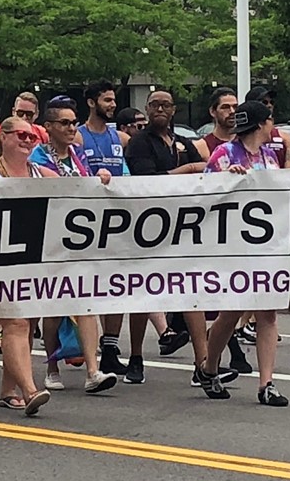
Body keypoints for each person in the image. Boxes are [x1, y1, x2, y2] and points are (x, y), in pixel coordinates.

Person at [200, 100, 290, 405]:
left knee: (267, 311)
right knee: (231, 311)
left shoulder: (270, 157)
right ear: (259, 124)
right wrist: (228, 177)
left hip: (267, 248)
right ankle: (209, 367)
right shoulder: (224, 154)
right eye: (269, 121)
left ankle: (266, 383)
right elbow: (202, 192)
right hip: (232, 247)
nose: (273, 127)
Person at [117, 88, 215, 386]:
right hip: (147, 226)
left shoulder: (184, 142)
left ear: (174, 110)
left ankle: (203, 364)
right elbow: (148, 180)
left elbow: (206, 173)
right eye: (155, 105)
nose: (160, 109)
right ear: (147, 109)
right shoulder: (138, 143)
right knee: (142, 292)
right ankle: (135, 357)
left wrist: (187, 169)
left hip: (183, 226)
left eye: (166, 105)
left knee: (191, 292)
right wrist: (186, 168)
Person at [27, 98, 118, 394]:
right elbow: (50, 185)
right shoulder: (38, 157)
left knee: (86, 302)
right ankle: (52, 366)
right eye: (64, 123)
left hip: (80, 240)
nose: (70, 128)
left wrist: (100, 177)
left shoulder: (78, 156)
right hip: (50, 240)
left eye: (73, 122)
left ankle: (93, 371)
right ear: (49, 127)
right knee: (55, 307)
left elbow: (89, 184)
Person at [0, 117, 59, 416]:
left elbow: (82, 188)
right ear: (4, 137)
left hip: (33, 260)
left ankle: (8, 391)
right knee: (16, 323)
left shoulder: (41, 173)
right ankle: (30, 389)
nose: (27, 140)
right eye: (21, 135)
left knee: (27, 325)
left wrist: (101, 178)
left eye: (32, 136)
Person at [77, 81, 130, 374]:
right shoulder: (79, 137)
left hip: (116, 218)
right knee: (90, 285)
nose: (112, 105)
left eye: (113, 100)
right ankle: (86, 347)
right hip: (88, 220)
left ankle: (110, 346)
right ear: (91, 102)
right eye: (107, 100)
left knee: (117, 285)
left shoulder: (119, 138)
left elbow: (128, 175)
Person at [244, 86, 290, 169]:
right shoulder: (243, 136)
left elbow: (289, 172)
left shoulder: (285, 137)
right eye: (264, 102)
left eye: (271, 102)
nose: (269, 105)